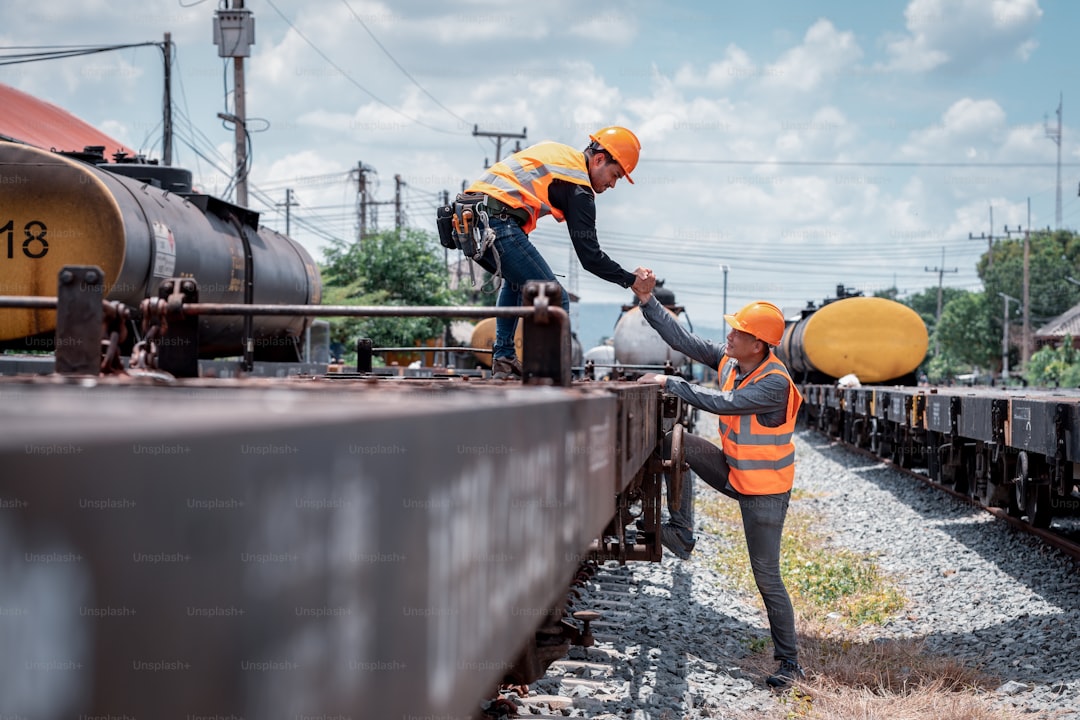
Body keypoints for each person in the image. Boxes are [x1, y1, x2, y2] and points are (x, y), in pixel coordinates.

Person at [633, 274, 806, 689]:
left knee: (766, 577)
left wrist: (671, 383)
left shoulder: (774, 383)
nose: (729, 336)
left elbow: (722, 403)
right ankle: (681, 532)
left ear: (759, 345)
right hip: (734, 470)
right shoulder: (733, 361)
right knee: (676, 443)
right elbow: (685, 341)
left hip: (764, 492)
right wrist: (647, 301)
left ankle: (790, 664)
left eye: (739, 332)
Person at [463, 126, 653, 378]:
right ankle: (551, 377)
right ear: (598, 159)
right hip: (497, 222)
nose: (612, 184)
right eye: (614, 175)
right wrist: (630, 280)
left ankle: (504, 357)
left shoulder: (561, 155)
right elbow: (590, 257)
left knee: (518, 283)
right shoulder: (578, 185)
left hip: (476, 218)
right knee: (554, 298)